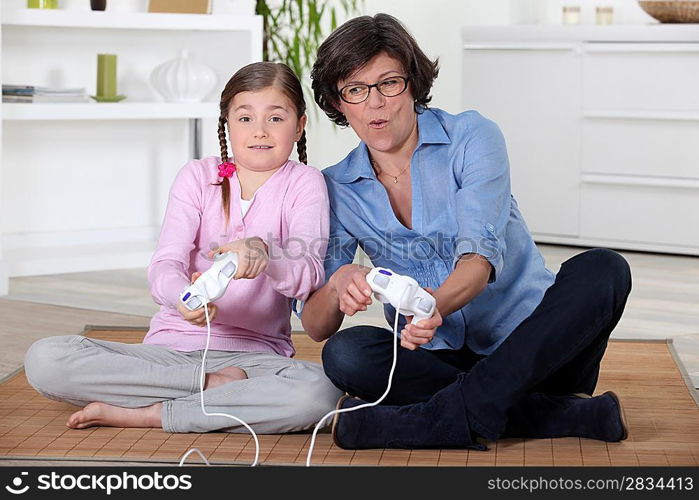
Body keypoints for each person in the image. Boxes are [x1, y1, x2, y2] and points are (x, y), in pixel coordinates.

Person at [302, 14, 632, 449]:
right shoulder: (338, 186)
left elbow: (477, 260)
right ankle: (539, 410)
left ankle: (430, 421)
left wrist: (433, 305)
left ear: (414, 83)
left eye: (389, 83)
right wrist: (336, 284)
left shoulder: (472, 136)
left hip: (536, 345)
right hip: (435, 357)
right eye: (356, 90)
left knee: (604, 269)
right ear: (338, 102)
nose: (375, 103)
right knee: (345, 354)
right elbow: (316, 326)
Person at [24, 62, 342, 435]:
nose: (259, 131)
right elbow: (165, 264)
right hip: (169, 354)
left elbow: (307, 276)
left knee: (321, 392)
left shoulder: (306, 183)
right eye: (244, 118)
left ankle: (153, 413)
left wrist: (267, 255)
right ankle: (209, 387)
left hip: (257, 358)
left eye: (275, 118)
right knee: (46, 359)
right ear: (226, 122)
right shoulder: (197, 176)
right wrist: (183, 297)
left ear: (299, 125)